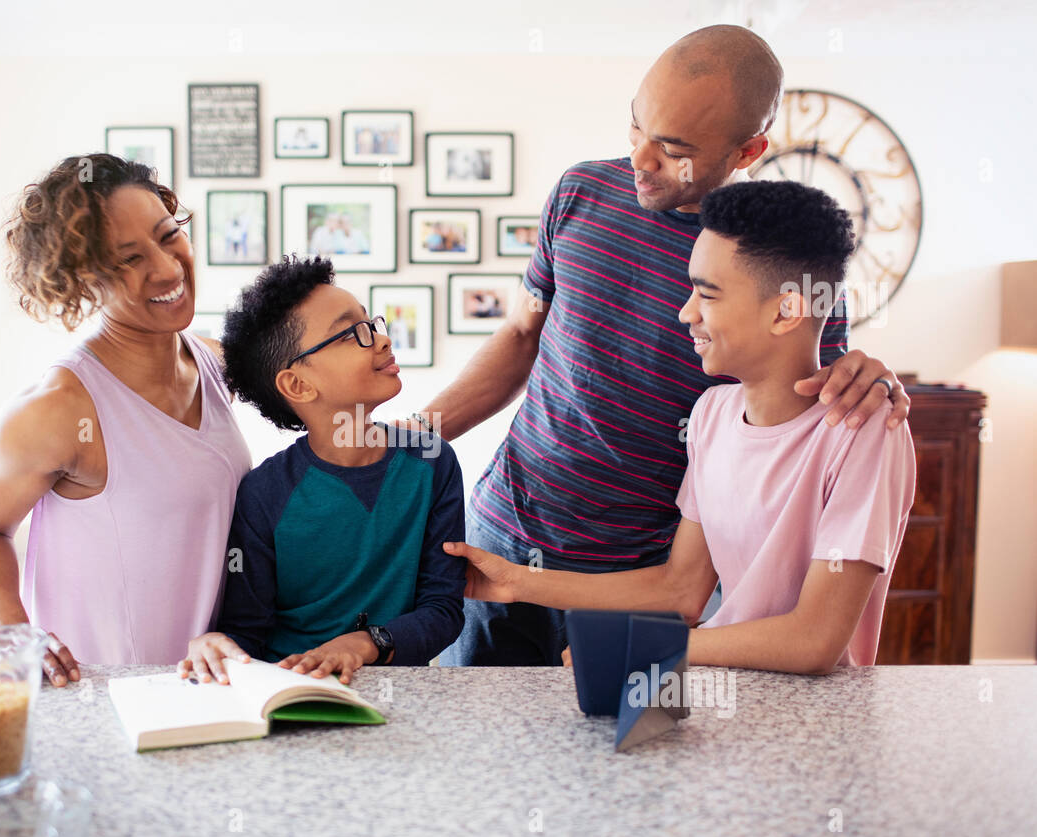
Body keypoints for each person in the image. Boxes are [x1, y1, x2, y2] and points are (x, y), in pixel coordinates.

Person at [409, 24, 912, 667]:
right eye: (636, 128)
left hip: (645, 581)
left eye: (673, 148)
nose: (642, 160)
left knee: (621, 762)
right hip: (505, 537)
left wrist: (873, 379)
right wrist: (407, 443)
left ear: (748, 148)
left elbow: (815, 390)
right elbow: (520, 333)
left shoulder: (775, 264)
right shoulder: (579, 193)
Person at [446, 180, 915, 673]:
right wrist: (517, 583)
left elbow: (815, 640)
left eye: (707, 295)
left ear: (785, 312)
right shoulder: (711, 414)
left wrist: (649, 647)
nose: (685, 312)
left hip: (811, 724)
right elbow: (681, 590)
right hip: (718, 705)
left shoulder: (864, 429)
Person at [0, 153, 252, 685]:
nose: (165, 268)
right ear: (82, 280)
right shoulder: (58, 408)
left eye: (167, 236)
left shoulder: (213, 361)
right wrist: (13, 633)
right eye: (127, 259)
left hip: (209, 686)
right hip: (102, 695)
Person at [177, 256, 466, 685]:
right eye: (353, 335)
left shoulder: (432, 462)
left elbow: (443, 611)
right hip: (291, 690)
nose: (381, 341)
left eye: (373, 324)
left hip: (397, 693)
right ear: (298, 384)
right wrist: (213, 644)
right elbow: (246, 633)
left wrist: (364, 644)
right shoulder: (263, 495)